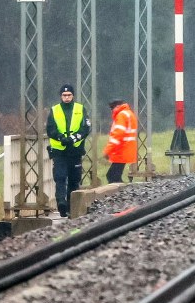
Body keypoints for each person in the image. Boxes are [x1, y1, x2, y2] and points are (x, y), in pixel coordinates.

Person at [46, 84, 92, 217]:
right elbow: (50, 129)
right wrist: (60, 137)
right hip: (59, 150)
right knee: (60, 177)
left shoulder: (80, 109)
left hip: (75, 150)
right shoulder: (54, 110)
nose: (66, 98)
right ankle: (61, 202)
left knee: (74, 178)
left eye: (69, 95)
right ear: (61, 96)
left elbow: (86, 128)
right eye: (64, 95)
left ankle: (71, 206)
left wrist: (73, 138)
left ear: (73, 96)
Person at [102, 99, 138, 184]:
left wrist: (107, 151)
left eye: (112, 108)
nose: (112, 111)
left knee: (111, 176)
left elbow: (117, 135)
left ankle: (118, 194)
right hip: (126, 149)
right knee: (115, 175)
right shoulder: (129, 114)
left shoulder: (121, 115)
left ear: (117, 106)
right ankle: (121, 192)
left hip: (121, 150)